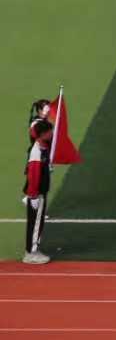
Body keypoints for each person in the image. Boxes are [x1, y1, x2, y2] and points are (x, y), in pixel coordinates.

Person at [22, 99, 54, 264]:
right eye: (49, 133)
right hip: (37, 194)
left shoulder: (42, 149)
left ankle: (33, 249)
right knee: (35, 223)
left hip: (39, 192)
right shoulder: (36, 153)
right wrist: (33, 196)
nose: (51, 134)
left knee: (37, 222)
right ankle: (31, 253)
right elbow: (33, 176)